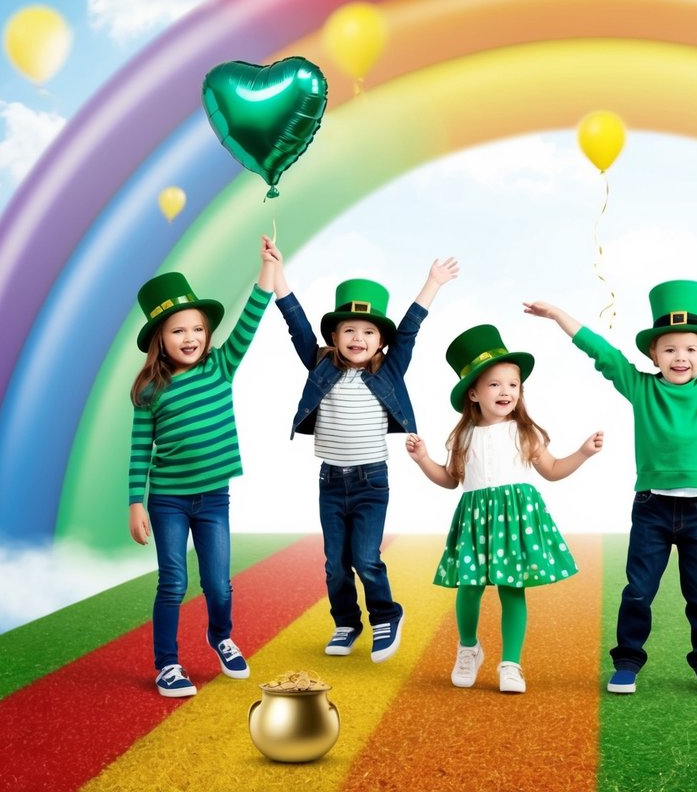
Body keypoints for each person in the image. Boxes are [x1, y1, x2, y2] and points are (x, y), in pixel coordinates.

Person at [525, 276, 697, 696]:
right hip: (652, 508)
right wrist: (558, 316)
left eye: (691, 349)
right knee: (639, 590)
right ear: (653, 353)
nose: (680, 357)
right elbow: (602, 354)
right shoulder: (641, 388)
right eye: (670, 349)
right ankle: (627, 663)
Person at [272, 252, 458, 663]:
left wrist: (433, 283)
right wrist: (278, 275)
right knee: (335, 564)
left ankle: (386, 615)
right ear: (334, 338)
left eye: (368, 332)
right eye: (348, 330)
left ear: (381, 341)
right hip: (330, 481)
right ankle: (346, 622)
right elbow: (296, 325)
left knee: (366, 559)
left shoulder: (387, 371)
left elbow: (409, 330)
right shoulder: (319, 365)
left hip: (371, 482)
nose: (358, 338)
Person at [405, 324, 602, 693]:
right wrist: (422, 459)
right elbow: (450, 480)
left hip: (517, 522)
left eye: (513, 384)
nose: (506, 391)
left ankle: (510, 663)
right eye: (495, 384)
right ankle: (468, 648)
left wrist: (583, 452)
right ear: (474, 394)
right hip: (476, 520)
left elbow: (554, 470)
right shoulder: (462, 436)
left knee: (513, 590)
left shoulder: (527, 432)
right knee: (469, 585)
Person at [128, 235, 279, 698]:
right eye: (177, 331)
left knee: (218, 582)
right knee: (172, 582)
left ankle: (221, 636)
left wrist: (268, 267)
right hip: (168, 500)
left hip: (214, 498)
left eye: (196, 329)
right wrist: (136, 503)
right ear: (160, 339)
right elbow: (138, 450)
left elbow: (252, 315)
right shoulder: (150, 390)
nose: (190, 338)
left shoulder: (221, 365)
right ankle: (167, 665)